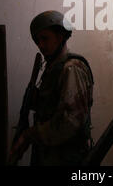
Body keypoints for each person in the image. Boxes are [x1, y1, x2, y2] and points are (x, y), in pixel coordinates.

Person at [9, 10, 94, 166]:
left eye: (45, 38)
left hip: (67, 158)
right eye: (37, 40)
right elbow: (51, 107)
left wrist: (31, 134)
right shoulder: (52, 69)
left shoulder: (72, 68)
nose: (40, 45)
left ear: (60, 36)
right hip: (49, 156)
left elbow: (71, 121)